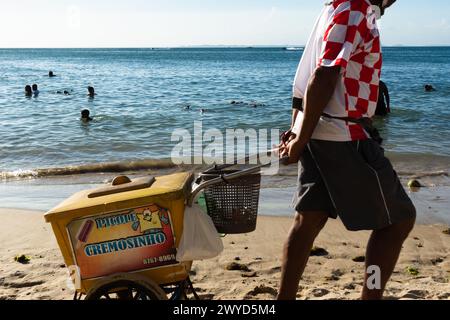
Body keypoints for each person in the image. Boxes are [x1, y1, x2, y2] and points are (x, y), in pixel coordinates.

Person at [278, 0, 415, 301]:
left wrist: (298, 130)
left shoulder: (333, 8)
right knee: (398, 221)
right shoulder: (356, 9)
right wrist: (298, 140)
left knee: (308, 220)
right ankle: (371, 297)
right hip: (345, 136)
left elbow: (301, 83)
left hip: (317, 129)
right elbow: (324, 75)